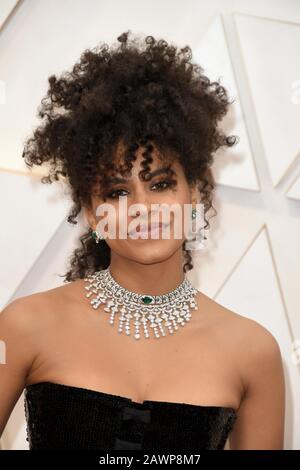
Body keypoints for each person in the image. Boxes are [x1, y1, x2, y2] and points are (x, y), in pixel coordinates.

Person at [0, 31, 285, 450]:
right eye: (117, 191)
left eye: (161, 183)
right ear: (92, 210)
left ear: (195, 193)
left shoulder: (254, 352)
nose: (142, 208)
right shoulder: (22, 326)